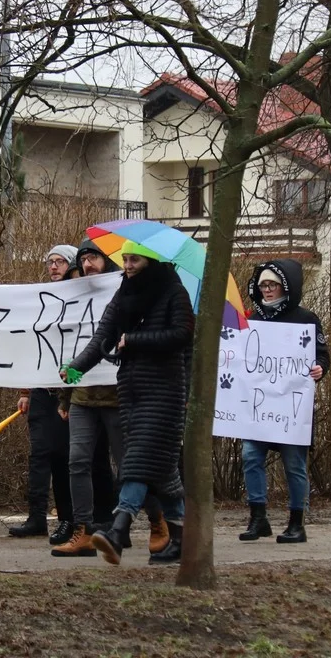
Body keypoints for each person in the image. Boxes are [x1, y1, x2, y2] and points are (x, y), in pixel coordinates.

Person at [63, 240, 192, 565]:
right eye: (126, 259)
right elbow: (103, 335)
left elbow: (181, 335)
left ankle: (118, 530)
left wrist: (134, 340)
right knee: (162, 472)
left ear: (150, 261)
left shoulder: (174, 292)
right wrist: (77, 365)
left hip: (165, 393)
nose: (129, 265)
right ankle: (179, 539)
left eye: (135, 260)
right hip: (132, 391)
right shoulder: (125, 293)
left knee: (136, 461)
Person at [238, 259, 330, 544]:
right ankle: (258, 518)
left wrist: (319, 368)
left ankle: (296, 523)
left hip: (291, 407)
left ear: (286, 287)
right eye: (263, 285)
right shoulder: (250, 319)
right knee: (250, 457)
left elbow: (323, 355)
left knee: (294, 465)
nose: (266, 290)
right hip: (258, 405)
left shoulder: (306, 320)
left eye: (272, 285)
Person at [10, 244, 76, 545]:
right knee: (39, 454)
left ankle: (67, 518)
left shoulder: (81, 301)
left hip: (68, 392)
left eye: (60, 262)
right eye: (49, 262)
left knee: (62, 455)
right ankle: (36, 517)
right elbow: (29, 346)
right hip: (40, 389)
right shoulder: (39, 301)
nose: (53, 267)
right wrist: (25, 389)